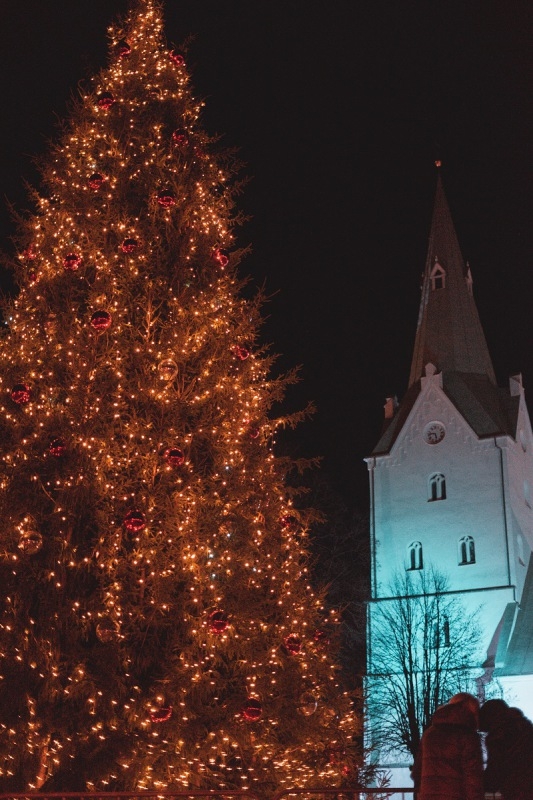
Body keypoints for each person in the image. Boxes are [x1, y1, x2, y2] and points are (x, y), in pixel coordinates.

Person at [411, 692, 484, 800]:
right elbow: (473, 779)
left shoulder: (429, 734)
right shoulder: (468, 736)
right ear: (471, 712)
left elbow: (417, 773)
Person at [478, 698, 533, 800]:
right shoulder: (527, 728)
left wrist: (479, 784)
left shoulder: (498, 736)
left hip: (516, 790)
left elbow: (495, 770)